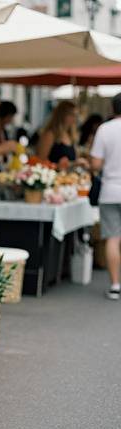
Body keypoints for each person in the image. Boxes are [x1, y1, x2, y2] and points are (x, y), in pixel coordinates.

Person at [90, 93, 121, 300]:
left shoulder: (105, 129)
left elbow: (95, 165)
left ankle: (115, 285)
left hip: (110, 190)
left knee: (112, 238)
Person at [36, 100, 78, 165]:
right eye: (71, 114)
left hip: (67, 174)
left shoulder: (70, 135)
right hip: (52, 174)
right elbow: (40, 161)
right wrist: (57, 166)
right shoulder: (50, 134)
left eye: (75, 115)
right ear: (62, 115)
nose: (74, 118)